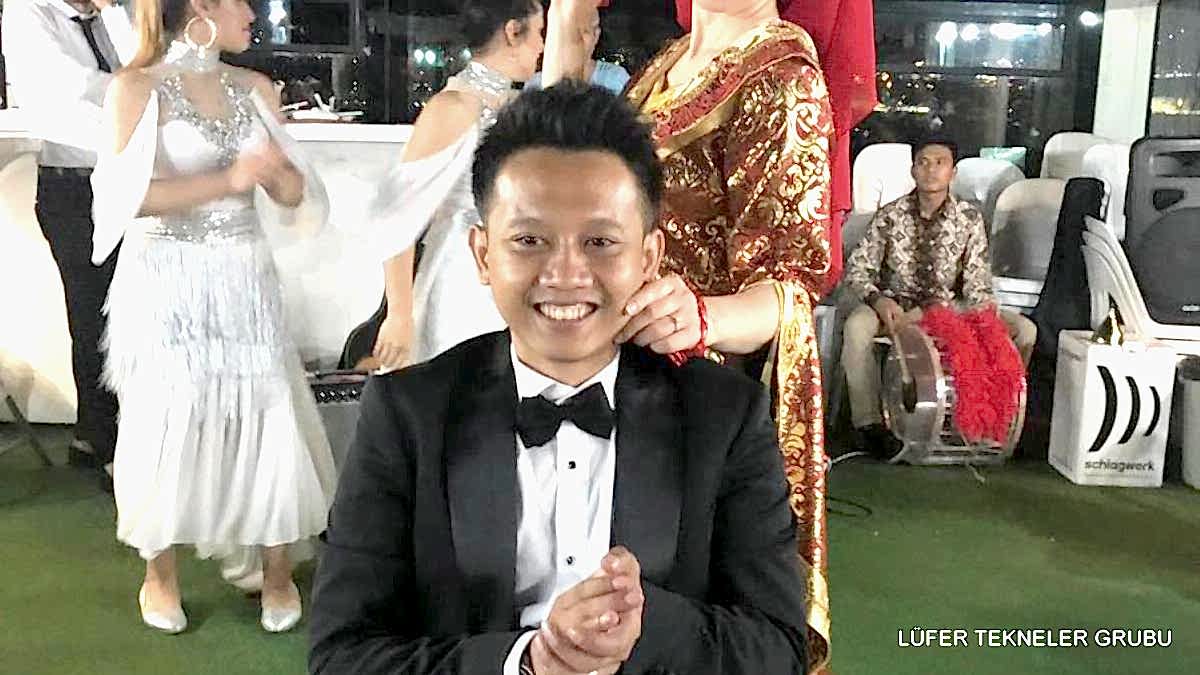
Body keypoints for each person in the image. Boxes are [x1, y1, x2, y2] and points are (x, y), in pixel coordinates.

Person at [309, 82, 808, 674]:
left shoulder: (723, 416)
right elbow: (342, 655)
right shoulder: (407, 413)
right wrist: (525, 663)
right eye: (529, 240)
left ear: (649, 257)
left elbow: (778, 648)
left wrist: (643, 628)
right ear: (483, 255)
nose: (566, 273)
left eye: (600, 242)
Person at [91, 0, 336, 634]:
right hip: (166, 275)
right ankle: (159, 575)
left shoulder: (255, 86)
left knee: (267, 408)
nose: (253, 13)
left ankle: (276, 571)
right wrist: (231, 177)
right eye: (241, 1)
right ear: (202, 4)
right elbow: (126, 197)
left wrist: (276, 175)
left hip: (244, 272)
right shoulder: (135, 87)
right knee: (167, 415)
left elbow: (292, 192)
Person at [621, 1, 835, 670]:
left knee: (673, 614)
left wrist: (699, 316)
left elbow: (788, 288)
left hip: (694, 388)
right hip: (617, 364)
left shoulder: (782, 74)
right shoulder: (667, 64)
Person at [1, 0, 139, 490]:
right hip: (74, 187)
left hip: (123, 182)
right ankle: (108, 443)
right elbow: (70, 89)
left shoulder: (112, 15)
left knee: (128, 311)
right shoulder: (29, 14)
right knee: (94, 314)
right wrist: (136, 95)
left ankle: (91, 433)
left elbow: (147, 67)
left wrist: (116, 16)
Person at [367, 0, 545, 370]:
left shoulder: (515, 104)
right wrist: (399, 313)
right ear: (513, 32)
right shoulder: (454, 107)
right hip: (460, 277)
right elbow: (395, 215)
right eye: (539, 33)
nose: (542, 46)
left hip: (510, 274)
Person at [841, 137, 1037, 455]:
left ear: (953, 172)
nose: (931, 170)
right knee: (856, 327)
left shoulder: (969, 219)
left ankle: (1000, 414)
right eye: (923, 162)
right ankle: (869, 425)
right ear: (913, 170)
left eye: (940, 163)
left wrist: (938, 311)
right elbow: (857, 271)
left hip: (950, 310)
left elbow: (977, 288)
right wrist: (878, 300)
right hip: (893, 308)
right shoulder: (890, 216)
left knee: (1026, 330)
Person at [525, 7, 629, 95]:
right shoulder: (535, 85)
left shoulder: (616, 78)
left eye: (594, 28)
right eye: (578, 31)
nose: (595, 34)